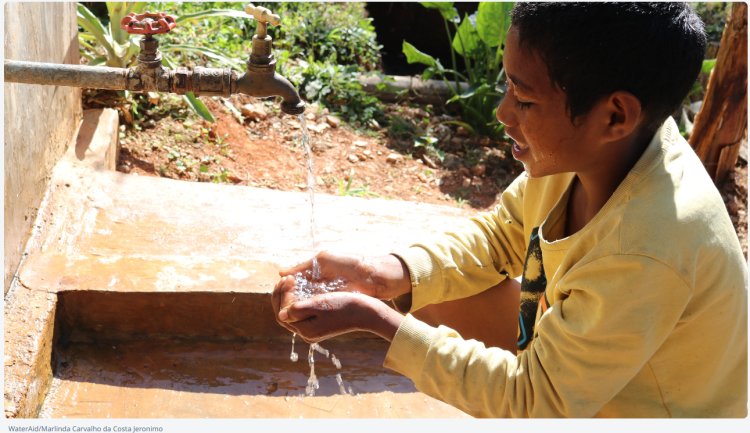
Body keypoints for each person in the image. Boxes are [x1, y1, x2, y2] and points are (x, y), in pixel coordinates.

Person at [272, 2, 747, 417]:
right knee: (424, 288)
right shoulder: (609, 149)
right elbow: (504, 236)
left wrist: (375, 319)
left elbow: (535, 403)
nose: (502, 113)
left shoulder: (646, 247)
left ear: (615, 115)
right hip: (590, 385)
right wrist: (382, 273)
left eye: (523, 99)